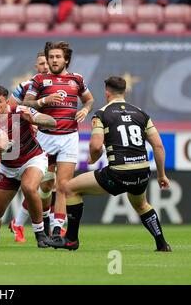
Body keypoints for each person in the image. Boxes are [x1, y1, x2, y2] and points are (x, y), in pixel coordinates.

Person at [48, 76, 172, 252]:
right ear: (125, 91)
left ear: (107, 92)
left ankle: (71, 240)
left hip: (119, 173)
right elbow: (158, 145)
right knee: (141, 204)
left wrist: (93, 158)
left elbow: (96, 145)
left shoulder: (101, 114)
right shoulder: (141, 114)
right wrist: (161, 175)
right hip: (142, 172)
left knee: (69, 188)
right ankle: (162, 244)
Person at [23, 41, 94, 241]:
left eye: (57, 57)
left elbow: (89, 99)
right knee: (44, 186)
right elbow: (26, 102)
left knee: (63, 185)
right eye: (51, 57)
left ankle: (56, 230)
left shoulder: (77, 79)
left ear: (66, 59)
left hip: (69, 137)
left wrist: (85, 109)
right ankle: (45, 218)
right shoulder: (39, 79)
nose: (54, 60)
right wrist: (43, 101)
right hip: (45, 137)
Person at [0, 85, 57, 248]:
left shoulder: (21, 111)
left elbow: (51, 122)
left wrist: (34, 119)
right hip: (8, 168)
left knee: (29, 187)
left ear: (6, 101)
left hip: (33, 159)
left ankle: (41, 235)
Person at [8, 51, 57, 242]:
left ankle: (22, 223)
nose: (45, 66)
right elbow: (10, 110)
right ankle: (46, 224)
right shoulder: (27, 86)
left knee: (50, 185)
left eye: (47, 62)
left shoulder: (62, 84)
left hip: (58, 136)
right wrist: (31, 122)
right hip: (39, 141)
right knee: (40, 185)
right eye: (41, 64)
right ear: (36, 67)